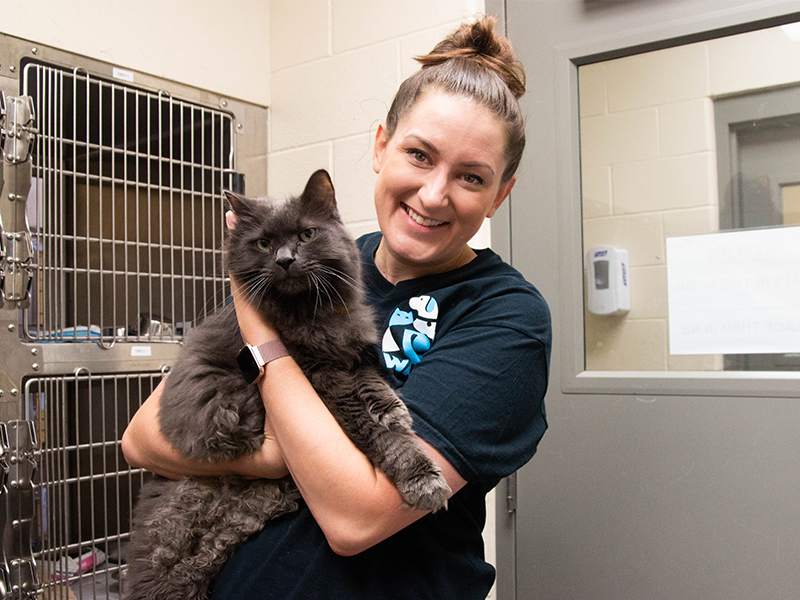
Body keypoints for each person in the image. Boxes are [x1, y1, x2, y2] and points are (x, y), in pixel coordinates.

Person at [121, 15, 551, 599]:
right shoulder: (327, 266)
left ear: (500, 194)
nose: (433, 194)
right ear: (381, 146)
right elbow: (142, 438)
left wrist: (256, 325)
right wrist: (272, 459)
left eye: (471, 177)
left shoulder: (506, 317)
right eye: (420, 155)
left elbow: (356, 518)